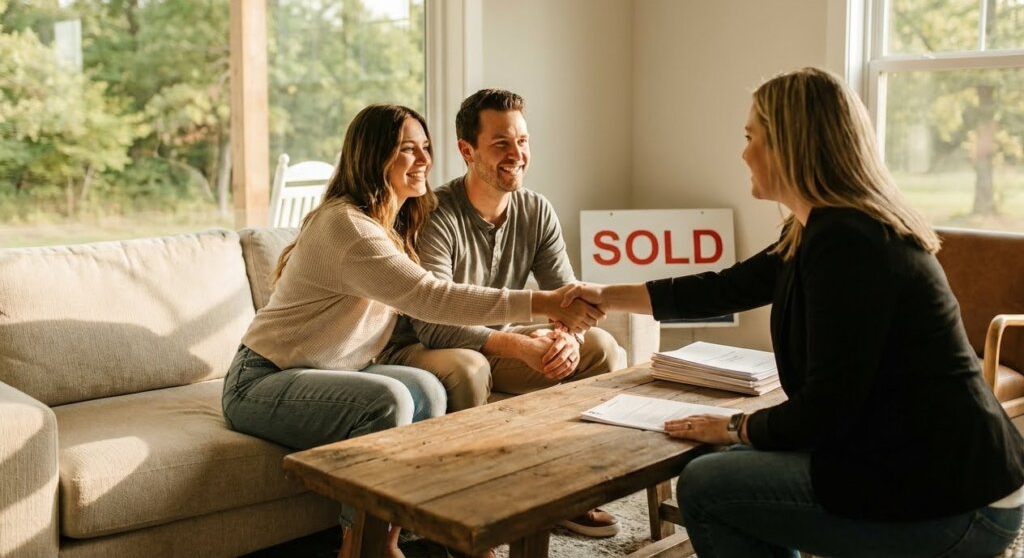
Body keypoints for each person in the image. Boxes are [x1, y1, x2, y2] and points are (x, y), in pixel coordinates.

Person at [561, 68, 1024, 557]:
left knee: (707, 482)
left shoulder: (848, 241)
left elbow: (828, 406)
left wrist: (735, 425)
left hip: (957, 503)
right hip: (937, 469)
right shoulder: (820, 228)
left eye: (751, 137)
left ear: (790, 143)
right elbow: (724, 288)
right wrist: (605, 295)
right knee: (740, 460)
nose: (743, 153)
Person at [221, 104, 602, 558]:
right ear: (374, 157)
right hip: (261, 378)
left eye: (425, 148)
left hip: (339, 371)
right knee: (390, 400)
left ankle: (393, 537)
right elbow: (432, 297)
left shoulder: (393, 223)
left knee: (428, 389)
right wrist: (541, 303)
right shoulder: (348, 227)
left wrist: (564, 328)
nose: (424, 159)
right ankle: (359, 544)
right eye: (408, 150)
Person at [379, 89, 623, 542]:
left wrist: (565, 339)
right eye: (501, 144)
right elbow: (433, 320)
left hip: (500, 338)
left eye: (523, 141)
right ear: (466, 151)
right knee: (468, 367)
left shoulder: (536, 210)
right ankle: (466, 521)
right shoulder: (434, 213)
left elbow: (564, 299)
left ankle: (569, 493)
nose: (518, 155)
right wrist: (520, 346)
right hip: (425, 347)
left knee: (602, 351)